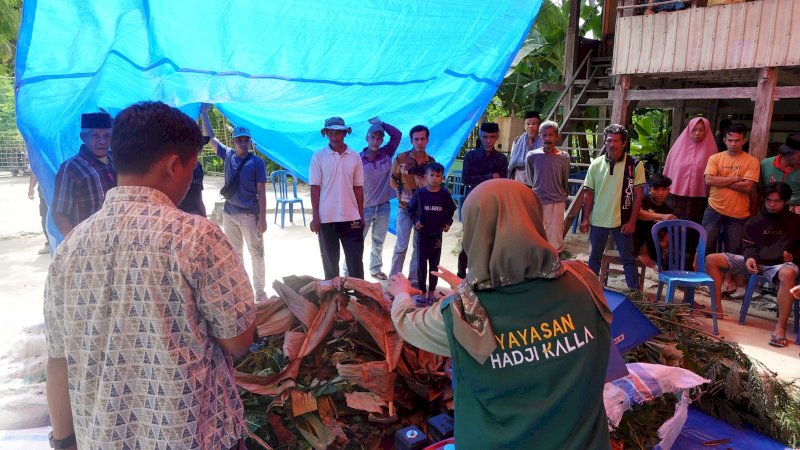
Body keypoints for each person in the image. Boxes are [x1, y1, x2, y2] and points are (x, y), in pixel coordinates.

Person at [44, 101, 256, 450]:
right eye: (193, 166)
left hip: (103, 438)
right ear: (174, 166)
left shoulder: (69, 249)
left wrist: (63, 441)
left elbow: (58, 360)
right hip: (194, 436)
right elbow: (238, 340)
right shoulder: (197, 238)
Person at [387, 179, 612, 449]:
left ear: (474, 230)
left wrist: (401, 292)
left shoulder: (464, 312)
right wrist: (465, 287)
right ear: (534, 219)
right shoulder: (583, 280)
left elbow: (407, 323)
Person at [705, 183, 800, 333]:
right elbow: (748, 245)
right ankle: (716, 308)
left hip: (780, 265)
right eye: (768, 200)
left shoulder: (796, 222)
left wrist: (794, 255)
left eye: (777, 201)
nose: (772, 204)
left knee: (788, 273)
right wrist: (749, 258)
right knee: (712, 259)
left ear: (786, 201)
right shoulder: (755, 221)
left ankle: (780, 328)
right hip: (755, 261)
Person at [200, 104, 268, 301]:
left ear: (250, 141)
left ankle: (260, 291)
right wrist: (204, 113)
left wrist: (262, 219)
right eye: (239, 140)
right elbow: (211, 138)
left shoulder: (257, 163)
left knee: (256, 253)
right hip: (230, 213)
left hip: (249, 214)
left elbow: (262, 193)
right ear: (234, 141)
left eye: (246, 139)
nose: (243, 143)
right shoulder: (228, 155)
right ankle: (241, 290)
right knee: (235, 254)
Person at [580, 124, 645, 292]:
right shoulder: (596, 164)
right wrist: (586, 218)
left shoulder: (635, 164)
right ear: (604, 142)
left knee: (628, 259)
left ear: (623, 143)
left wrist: (632, 222)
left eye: (617, 141)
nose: (612, 144)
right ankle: (590, 291)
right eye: (609, 140)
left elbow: (638, 195)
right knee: (594, 258)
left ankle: (634, 295)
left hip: (622, 220)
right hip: (599, 220)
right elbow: (588, 193)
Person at [702, 123, 760, 299]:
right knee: (705, 244)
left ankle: (729, 281)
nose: (733, 144)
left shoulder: (751, 161)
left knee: (733, 250)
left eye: (737, 140)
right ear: (724, 140)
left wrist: (722, 180)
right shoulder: (715, 158)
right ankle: (705, 279)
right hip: (714, 208)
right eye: (730, 140)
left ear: (744, 140)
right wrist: (735, 178)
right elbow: (708, 180)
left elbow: (748, 186)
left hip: (739, 212)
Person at [309, 117, 365, 279]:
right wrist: (316, 216)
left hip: (351, 217)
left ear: (344, 134)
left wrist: (360, 214)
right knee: (330, 263)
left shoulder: (354, 157)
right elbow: (315, 187)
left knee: (355, 262)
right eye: (330, 133)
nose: (334, 136)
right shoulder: (318, 157)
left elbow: (358, 187)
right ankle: (334, 300)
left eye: (338, 133)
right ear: (326, 134)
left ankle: (361, 298)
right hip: (327, 218)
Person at [662, 117, 717, 266]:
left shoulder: (712, 152)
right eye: (694, 129)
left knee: (693, 231)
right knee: (674, 229)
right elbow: (669, 171)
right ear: (688, 130)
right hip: (677, 197)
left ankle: (687, 265)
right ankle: (669, 263)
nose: (697, 133)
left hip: (699, 199)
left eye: (701, 130)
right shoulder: (677, 149)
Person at [51, 111, 116, 237]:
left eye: (107, 136)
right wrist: (74, 243)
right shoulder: (71, 168)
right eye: (96, 136)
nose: (102, 141)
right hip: (88, 240)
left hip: (115, 238)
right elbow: (59, 213)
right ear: (83, 137)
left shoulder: (115, 160)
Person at [458, 122, 508, 278]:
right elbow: (466, 179)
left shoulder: (501, 159)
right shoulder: (471, 156)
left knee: (490, 239)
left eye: (492, 137)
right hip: (472, 202)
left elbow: (502, 182)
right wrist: (490, 177)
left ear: (497, 137)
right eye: (485, 137)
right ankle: (460, 276)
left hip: (493, 203)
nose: (488, 140)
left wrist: (483, 180)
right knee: (468, 239)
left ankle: (484, 275)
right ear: (480, 136)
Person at [390, 125, 436, 287]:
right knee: (401, 246)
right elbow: (392, 180)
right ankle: (394, 282)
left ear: (427, 140)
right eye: (416, 139)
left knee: (419, 247)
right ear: (411, 140)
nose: (419, 142)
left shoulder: (431, 162)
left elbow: (434, 185)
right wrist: (402, 193)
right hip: (404, 209)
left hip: (422, 212)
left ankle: (414, 282)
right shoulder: (401, 159)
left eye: (423, 139)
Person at [356, 117, 402, 280]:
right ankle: (351, 271)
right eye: (373, 137)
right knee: (357, 241)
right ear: (367, 138)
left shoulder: (386, 153)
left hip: (383, 205)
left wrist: (381, 124)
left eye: (379, 138)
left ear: (382, 140)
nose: (376, 141)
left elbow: (397, 135)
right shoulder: (357, 159)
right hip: (364, 207)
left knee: (378, 240)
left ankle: (375, 268)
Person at [407, 162, 457, 301]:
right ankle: (422, 292)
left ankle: (432, 292)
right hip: (422, 235)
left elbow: (451, 209)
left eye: (438, 176)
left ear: (442, 178)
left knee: (434, 265)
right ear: (426, 176)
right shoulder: (420, 194)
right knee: (421, 264)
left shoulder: (444, 194)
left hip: (436, 236)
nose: (434, 178)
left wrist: (448, 223)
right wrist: (416, 221)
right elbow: (410, 209)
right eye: (432, 175)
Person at [525, 120, 570, 252]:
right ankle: (537, 263)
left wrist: (562, 194)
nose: (548, 138)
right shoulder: (532, 156)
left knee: (555, 237)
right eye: (544, 135)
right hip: (538, 200)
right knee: (536, 234)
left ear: (557, 136)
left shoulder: (564, 157)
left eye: (551, 135)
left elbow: (564, 179)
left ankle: (554, 263)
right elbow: (530, 179)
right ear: (540, 136)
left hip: (558, 201)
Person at [633, 174, 677, 268]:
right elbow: (638, 213)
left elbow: (671, 227)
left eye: (664, 189)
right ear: (649, 190)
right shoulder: (643, 200)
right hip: (637, 238)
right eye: (656, 189)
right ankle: (643, 252)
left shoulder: (667, 209)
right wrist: (660, 217)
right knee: (648, 223)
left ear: (669, 191)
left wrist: (665, 241)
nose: (660, 193)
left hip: (654, 243)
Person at [761, 134, 800, 214]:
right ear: (788, 154)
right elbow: (758, 190)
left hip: (794, 211)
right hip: (768, 209)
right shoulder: (766, 164)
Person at [508, 111, 543, 185]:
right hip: (519, 180)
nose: (530, 126)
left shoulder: (543, 141)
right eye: (528, 124)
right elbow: (512, 161)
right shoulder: (517, 141)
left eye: (534, 124)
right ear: (524, 125)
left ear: (539, 125)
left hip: (538, 180)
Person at [28, 172, 50, 254]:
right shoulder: (40, 159)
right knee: (45, 219)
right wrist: (31, 187)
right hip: (44, 194)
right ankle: (49, 244)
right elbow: (34, 171)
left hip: (59, 193)